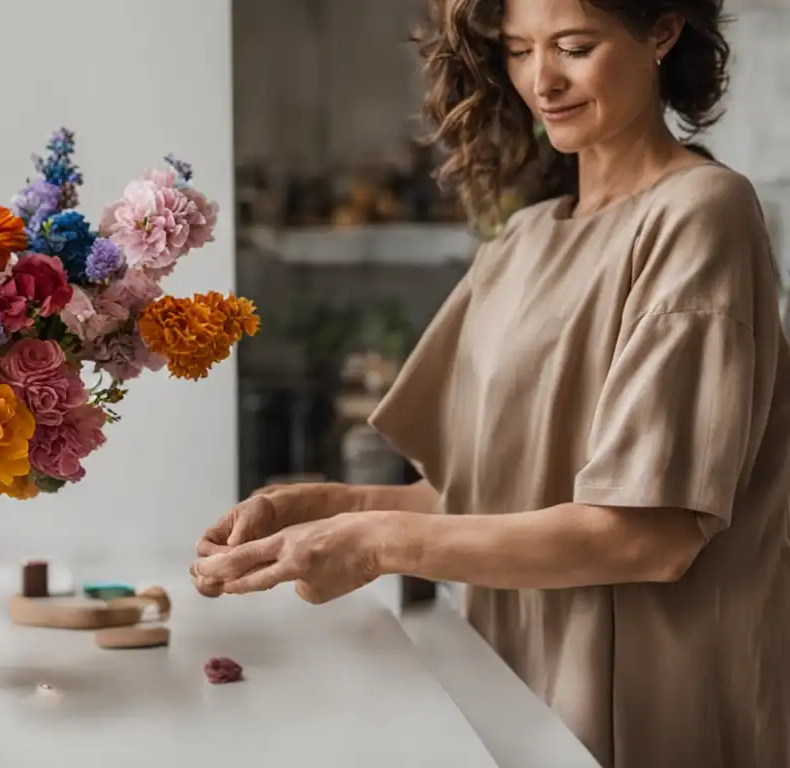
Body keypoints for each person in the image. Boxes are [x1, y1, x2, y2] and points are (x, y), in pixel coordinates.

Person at [191, 1, 790, 766]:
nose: (543, 80)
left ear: (663, 29)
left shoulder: (702, 214)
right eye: (518, 50)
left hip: (655, 707)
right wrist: (321, 506)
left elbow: (651, 535)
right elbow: (482, 498)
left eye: (574, 46)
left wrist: (374, 540)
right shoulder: (521, 241)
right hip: (511, 691)